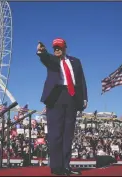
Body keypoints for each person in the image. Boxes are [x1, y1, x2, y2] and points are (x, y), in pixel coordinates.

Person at [37, 38, 88, 175]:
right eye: (55, 48)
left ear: (65, 48)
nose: (57, 50)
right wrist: (42, 52)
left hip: (71, 97)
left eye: (59, 47)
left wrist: (84, 98)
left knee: (68, 134)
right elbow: (45, 58)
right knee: (55, 134)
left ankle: (66, 166)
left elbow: (81, 81)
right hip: (56, 97)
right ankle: (56, 167)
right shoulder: (52, 60)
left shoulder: (75, 62)